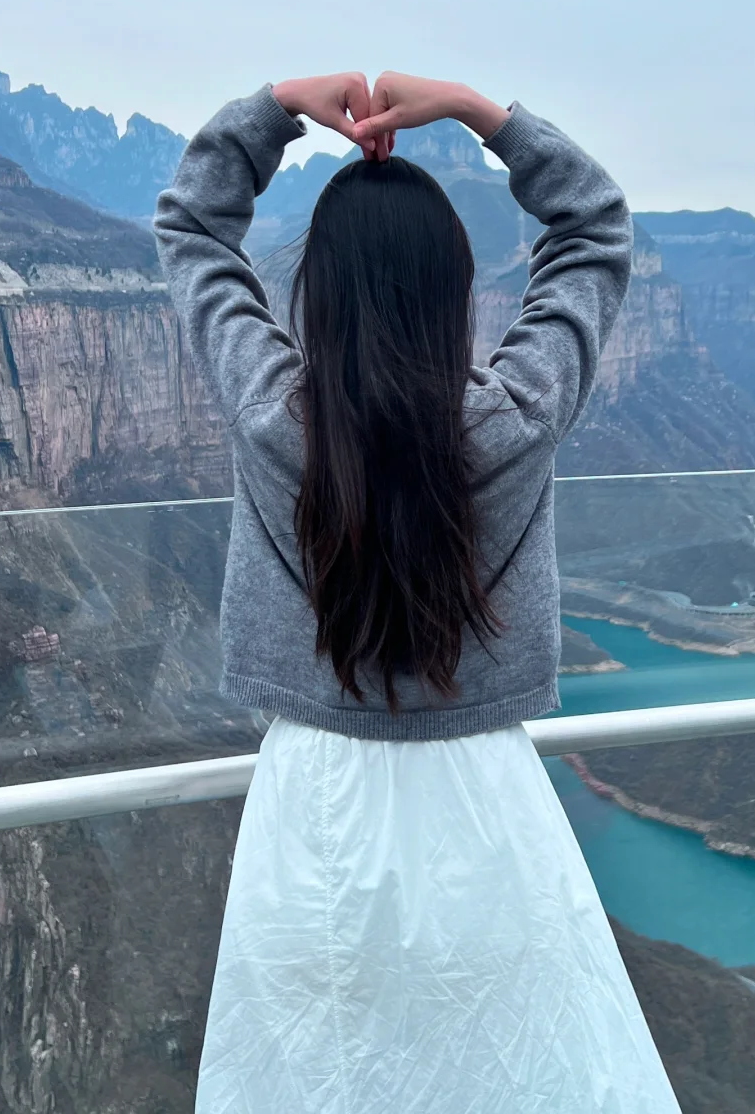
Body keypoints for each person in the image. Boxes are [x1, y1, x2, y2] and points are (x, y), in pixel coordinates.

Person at [154, 71, 681, 1113]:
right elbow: (593, 230)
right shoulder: (518, 417)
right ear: (453, 295)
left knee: (321, 1071)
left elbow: (193, 230)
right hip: (482, 799)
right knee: (503, 1063)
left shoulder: (271, 417)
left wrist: (276, 107)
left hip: (316, 796)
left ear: (314, 295)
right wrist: (481, 114)